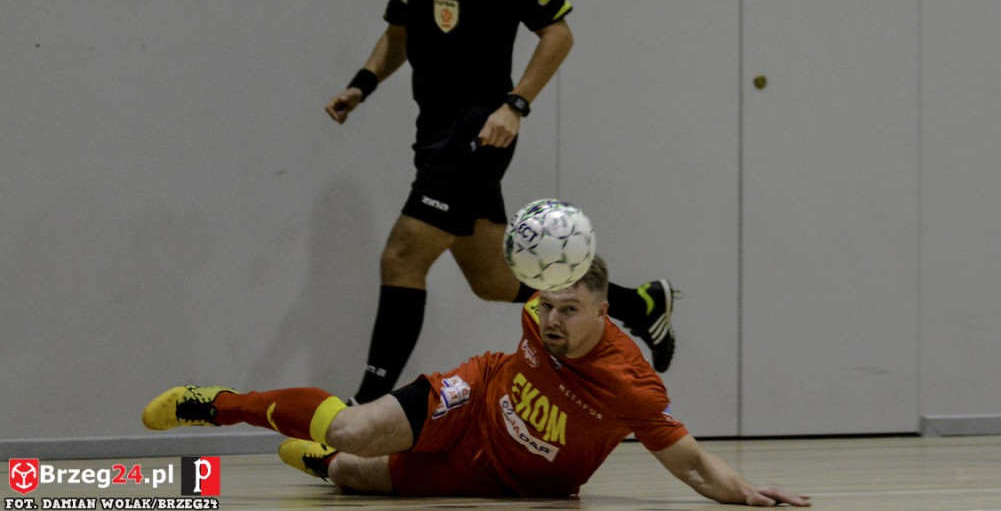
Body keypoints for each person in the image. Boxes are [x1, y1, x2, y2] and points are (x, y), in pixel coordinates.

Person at [324, 0, 675, 404]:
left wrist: (515, 105)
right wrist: (360, 86)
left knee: (403, 253)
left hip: (480, 131)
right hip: (433, 133)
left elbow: (558, 33)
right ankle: (640, 303)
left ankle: (360, 413)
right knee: (493, 281)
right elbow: (399, 36)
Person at [142, 256, 810, 506]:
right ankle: (218, 403)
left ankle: (322, 461)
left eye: (568, 310)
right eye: (546, 304)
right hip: (471, 398)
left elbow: (691, 465)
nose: (549, 319)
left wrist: (744, 492)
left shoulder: (630, 384)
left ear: (605, 314)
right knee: (357, 427)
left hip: (510, 482)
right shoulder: (533, 314)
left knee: (348, 471)